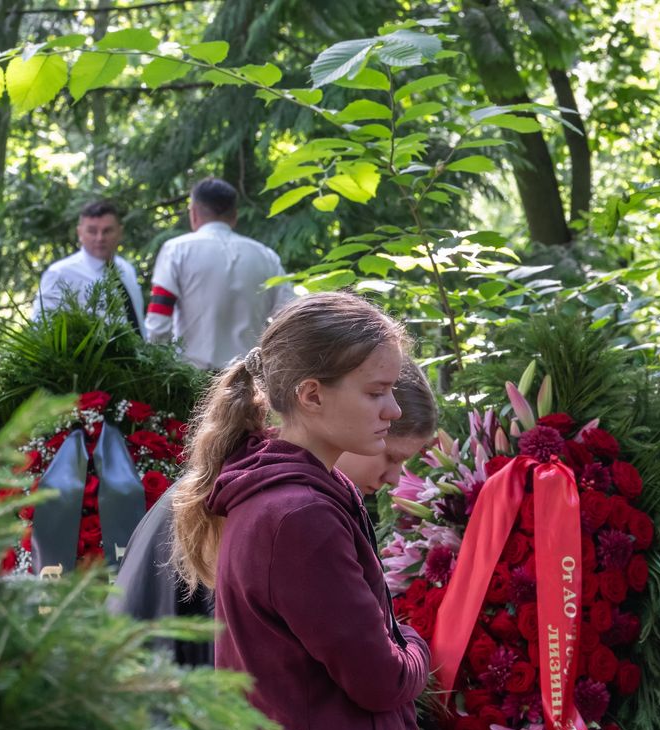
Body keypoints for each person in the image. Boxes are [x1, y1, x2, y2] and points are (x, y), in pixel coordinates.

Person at [170, 293, 459, 730]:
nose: (391, 409)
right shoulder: (298, 517)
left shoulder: (315, 499)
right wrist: (412, 642)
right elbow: (381, 677)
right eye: (376, 391)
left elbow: (376, 690)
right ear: (312, 394)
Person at [113, 357, 439, 667]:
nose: (394, 478)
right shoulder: (282, 510)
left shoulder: (249, 480)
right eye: (391, 456)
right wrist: (410, 642)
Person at [145, 178, 296, 371]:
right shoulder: (266, 256)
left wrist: (159, 369)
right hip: (248, 380)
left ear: (193, 213)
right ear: (234, 215)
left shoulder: (176, 251)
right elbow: (291, 319)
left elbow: (158, 322)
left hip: (190, 378)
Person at [34, 199, 145, 332]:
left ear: (120, 232)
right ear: (80, 233)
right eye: (92, 231)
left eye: (107, 231)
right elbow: (40, 329)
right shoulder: (60, 274)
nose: (100, 238)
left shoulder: (127, 269)